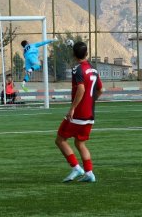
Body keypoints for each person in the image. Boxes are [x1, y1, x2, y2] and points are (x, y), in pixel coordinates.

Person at [55, 41, 102, 183]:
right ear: (86, 53)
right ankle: (89, 173)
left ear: (74, 54)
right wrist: (90, 101)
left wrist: (73, 108)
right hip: (90, 115)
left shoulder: (77, 69)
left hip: (79, 114)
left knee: (60, 139)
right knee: (80, 143)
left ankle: (76, 167)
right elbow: (100, 89)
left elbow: (81, 89)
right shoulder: (94, 70)